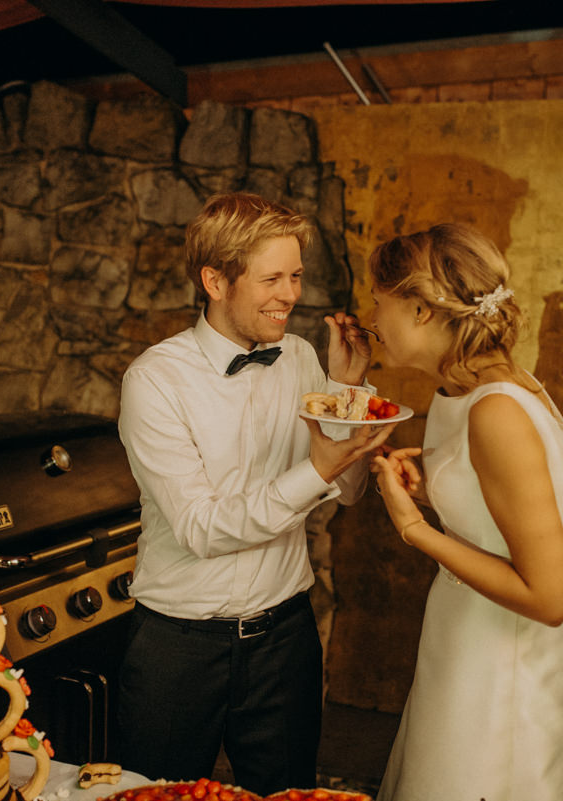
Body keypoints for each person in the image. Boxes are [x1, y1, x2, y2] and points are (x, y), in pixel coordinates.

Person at [116, 192, 396, 794]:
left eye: (295, 275)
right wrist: (314, 471)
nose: (291, 294)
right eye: (272, 278)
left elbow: (347, 492)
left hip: (286, 641)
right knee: (159, 798)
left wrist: (348, 390)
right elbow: (201, 530)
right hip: (177, 646)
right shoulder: (154, 380)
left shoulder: (299, 357)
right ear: (215, 280)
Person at [367, 223, 563, 801]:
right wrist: (434, 492)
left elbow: (551, 600)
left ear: (422, 309)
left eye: (380, 303)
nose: (372, 319)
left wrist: (414, 528)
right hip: (463, 639)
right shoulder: (462, 387)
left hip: (502, 667)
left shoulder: (495, 410)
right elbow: (495, 511)